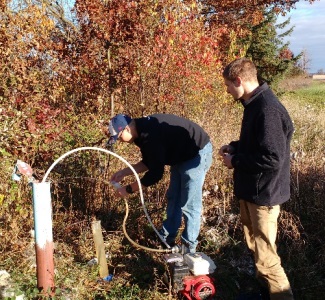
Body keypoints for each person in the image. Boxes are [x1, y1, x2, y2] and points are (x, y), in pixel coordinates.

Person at [219, 57, 294, 300]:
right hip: (252, 192)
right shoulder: (254, 105)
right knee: (256, 250)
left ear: (239, 80)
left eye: (229, 85)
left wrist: (236, 162)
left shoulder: (267, 109)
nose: (228, 90)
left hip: (264, 197)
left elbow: (273, 158)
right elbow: (258, 144)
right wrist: (235, 147)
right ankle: (266, 294)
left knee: (267, 260)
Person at [108, 113, 213, 253]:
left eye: (119, 137)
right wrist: (124, 172)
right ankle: (166, 239)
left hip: (196, 152)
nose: (120, 141)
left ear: (126, 129)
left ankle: (188, 248)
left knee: (189, 204)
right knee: (174, 197)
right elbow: (150, 162)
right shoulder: (140, 132)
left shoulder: (151, 135)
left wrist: (128, 190)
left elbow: (155, 175)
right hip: (179, 155)